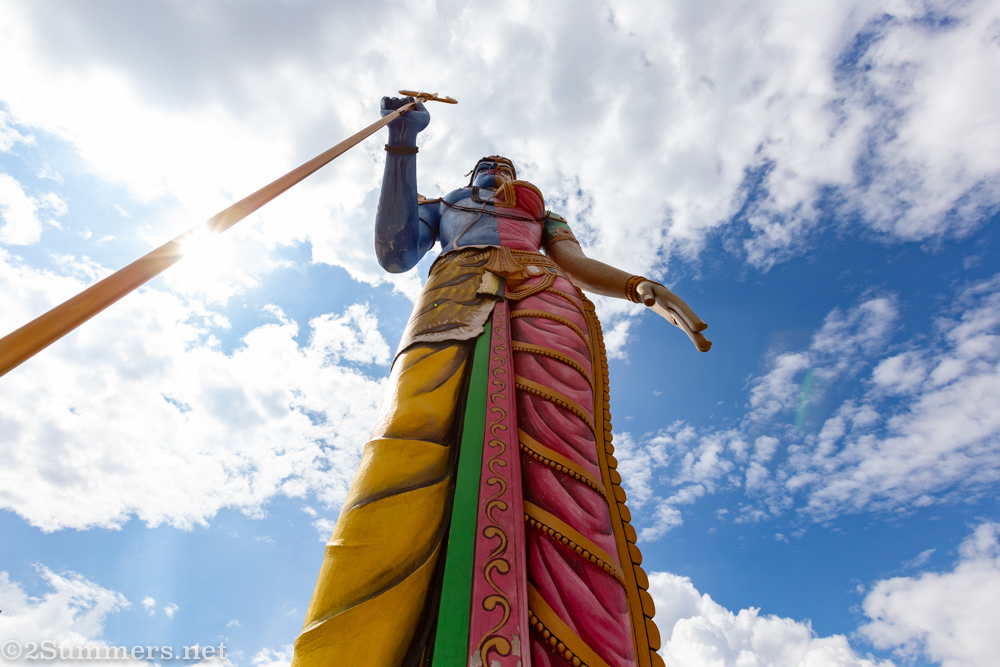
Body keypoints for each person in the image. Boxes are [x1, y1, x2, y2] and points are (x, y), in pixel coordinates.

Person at [291, 97, 710, 667]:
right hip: (454, 292)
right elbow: (395, 253)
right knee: (410, 429)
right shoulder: (444, 206)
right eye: (487, 164)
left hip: (545, 300)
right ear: (471, 175)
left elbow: (576, 262)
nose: (497, 168)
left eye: (505, 164)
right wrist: (400, 144)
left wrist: (641, 287)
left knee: (563, 450)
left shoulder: (542, 214)